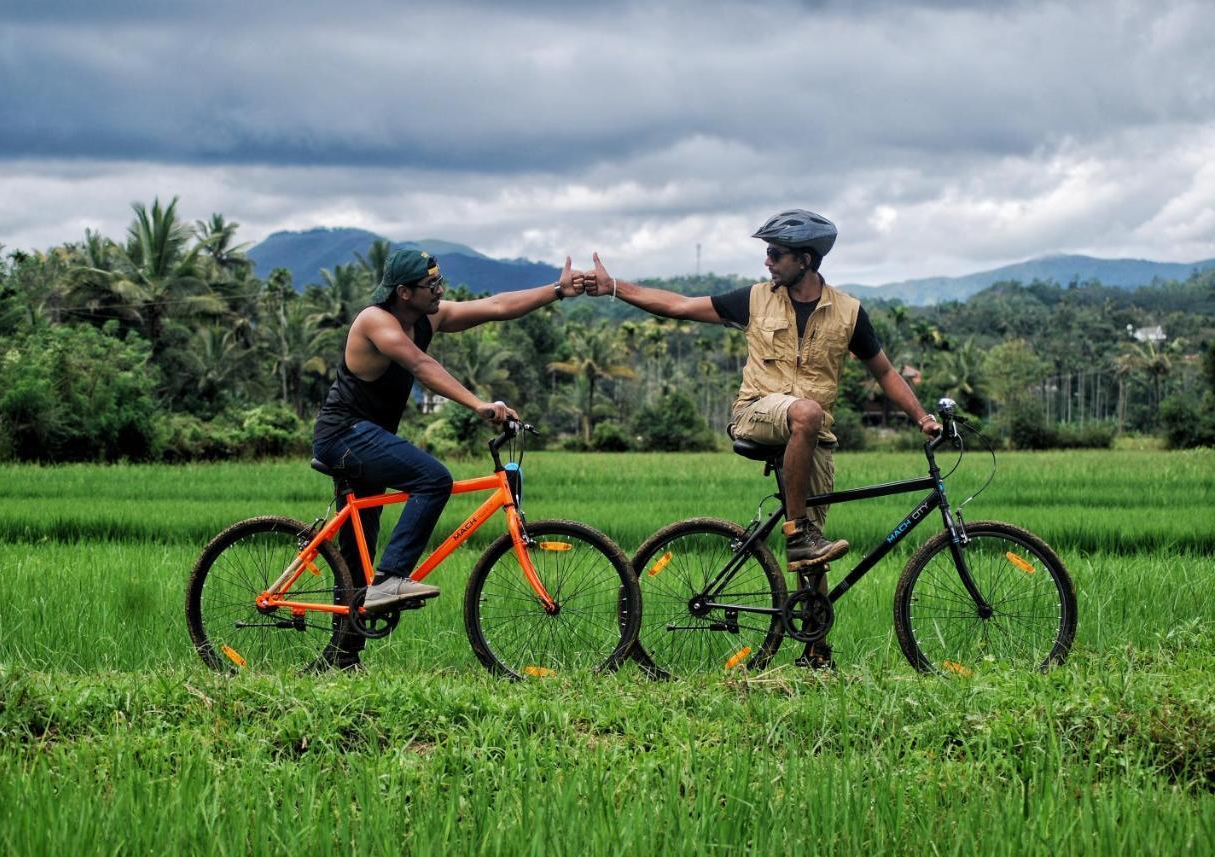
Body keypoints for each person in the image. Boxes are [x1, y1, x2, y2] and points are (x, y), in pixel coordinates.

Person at [579, 209, 940, 668]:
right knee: (804, 425)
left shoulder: (848, 312)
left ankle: (816, 651)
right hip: (757, 414)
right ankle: (795, 531)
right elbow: (678, 305)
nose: (767, 262)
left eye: (775, 254)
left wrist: (922, 418)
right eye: (767, 253)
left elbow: (885, 372)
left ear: (805, 260)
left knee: (817, 553)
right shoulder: (753, 300)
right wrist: (615, 287)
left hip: (813, 436)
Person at [312, 248, 583, 631]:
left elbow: (497, 306)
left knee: (358, 560)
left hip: (369, 440)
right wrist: (477, 404)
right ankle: (391, 578)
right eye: (432, 284)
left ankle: (343, 658)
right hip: (344, 435)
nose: (441, 290)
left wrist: (558, 290)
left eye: (440, 281)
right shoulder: (376, 321)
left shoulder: (428, 318)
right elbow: (422, 366)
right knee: (433, 479)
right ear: (404, 292)